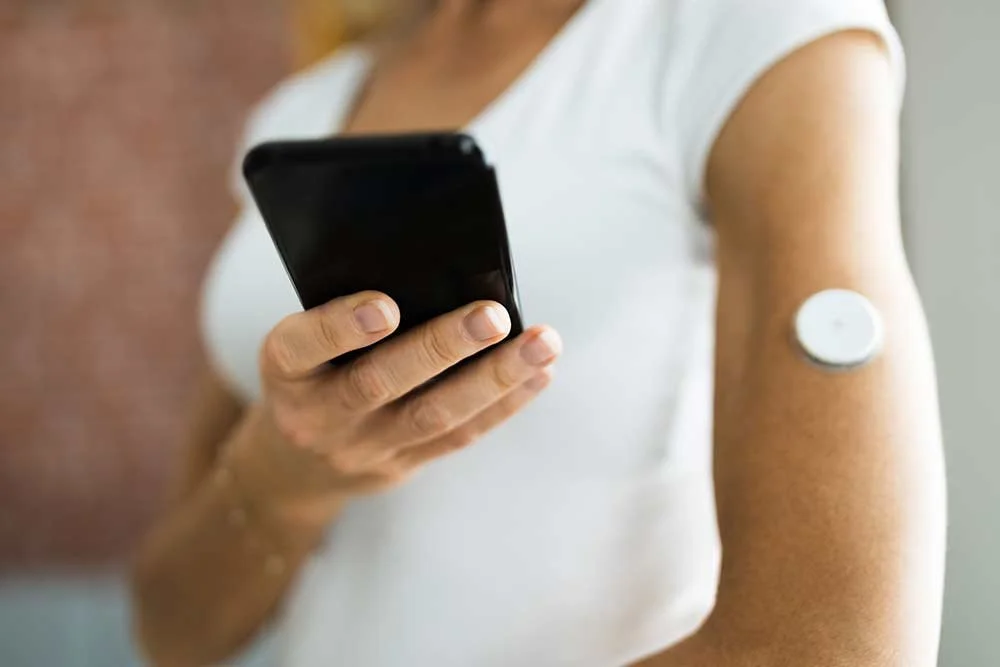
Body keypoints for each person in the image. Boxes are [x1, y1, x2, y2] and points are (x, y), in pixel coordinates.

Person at [131, 1, 946, 665]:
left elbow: (836, 650)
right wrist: (282, 478)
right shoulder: (301, 111)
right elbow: (171, 632)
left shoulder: (753, 28)